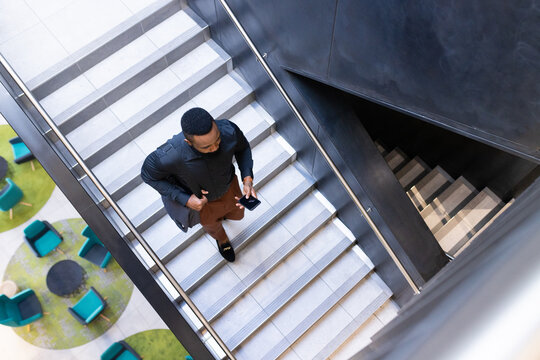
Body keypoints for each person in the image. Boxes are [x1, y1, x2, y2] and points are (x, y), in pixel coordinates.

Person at [140, 107, 255, 262]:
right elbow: (148, 176)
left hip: (229, 186)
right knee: (212, 226)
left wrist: (247, 178)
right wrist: (186, 199)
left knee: (237, 214)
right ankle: (222, 240)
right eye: (207, 147)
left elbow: (243, 148)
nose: (215, 148)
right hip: (203, 202)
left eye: (217, 140)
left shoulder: (228, 129)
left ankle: (225, 216)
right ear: (188, 142)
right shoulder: (169, 155)